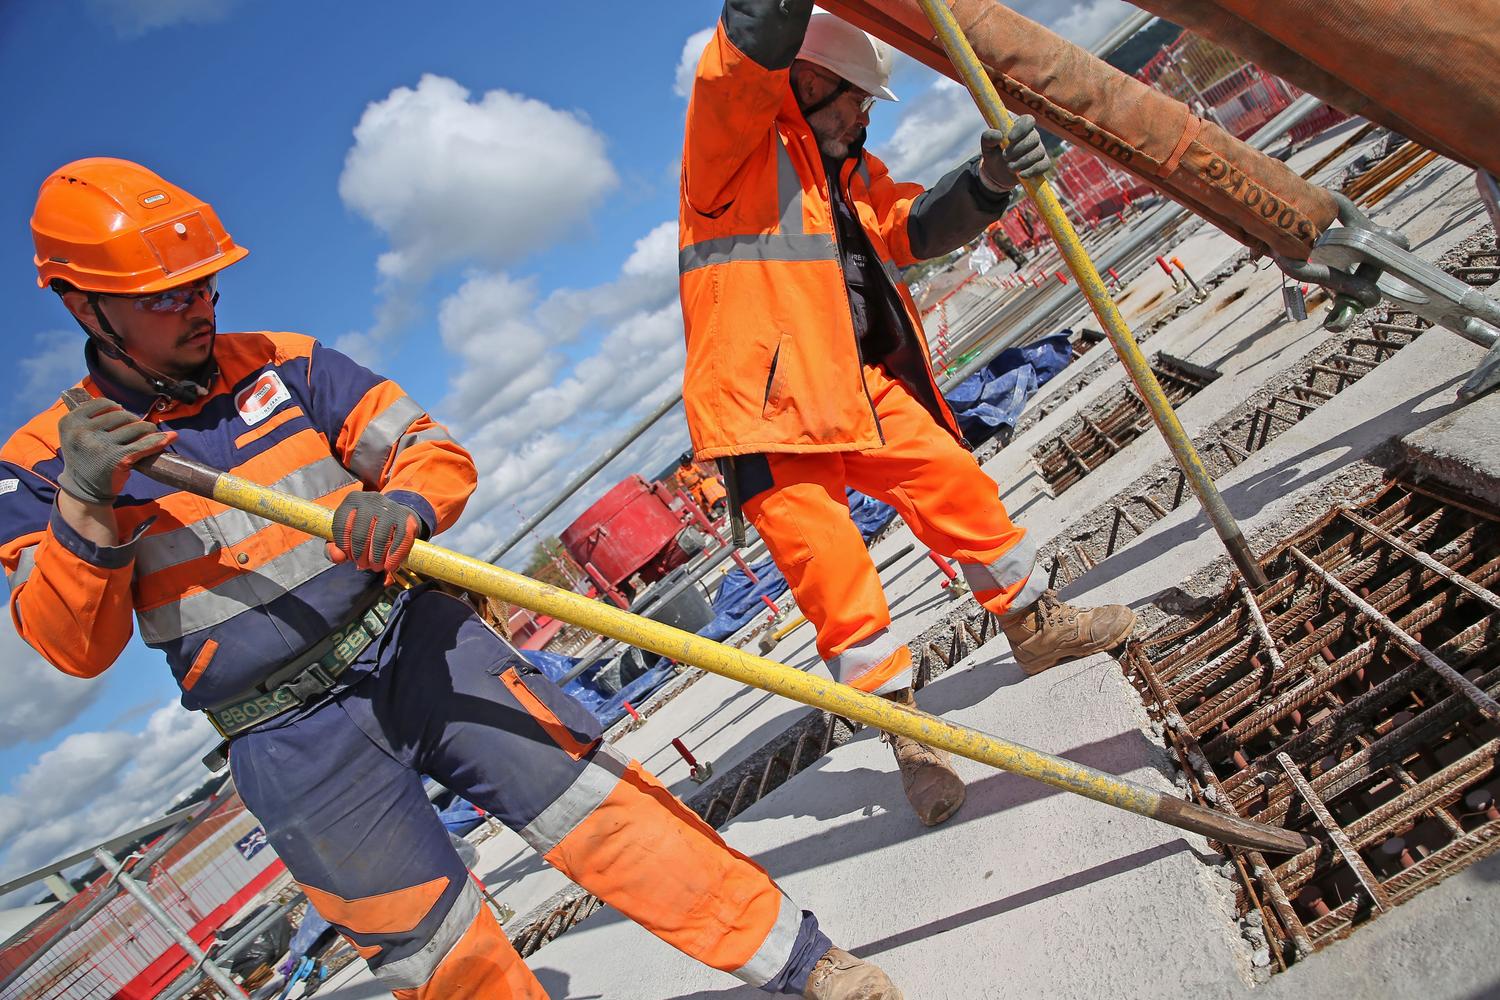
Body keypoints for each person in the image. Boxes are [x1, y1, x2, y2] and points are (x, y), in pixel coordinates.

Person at [3, 157, 902, 1000]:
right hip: (283, 736)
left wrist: (405, 504)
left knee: (603, 810)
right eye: (167, 297)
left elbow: (429, 448)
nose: (200, 307)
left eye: (205, 284)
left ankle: (808, 966)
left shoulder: (286, 361)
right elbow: (74, 648)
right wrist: (86, 504)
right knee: (435, 952)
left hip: (413, 644)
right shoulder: (42, 464)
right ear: (86, 308)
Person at [679, 3, 1137, 827]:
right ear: (807, 80)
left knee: (956, 484)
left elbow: (909, 227)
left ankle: (1035, 625)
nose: (863, 116)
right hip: (766, 412)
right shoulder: (732, 148)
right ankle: (912, 740)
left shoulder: (845, 170)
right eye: (855, 99)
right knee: (836, 580)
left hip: (852, 383)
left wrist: (989, 181)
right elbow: (744, 52)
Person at [674, 448, 730, 518]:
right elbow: (680, 484)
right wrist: (686, 490)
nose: (688, 463)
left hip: (701, 484)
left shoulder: (693, 466)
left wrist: (704, 475)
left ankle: (720, 505)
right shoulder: (679, 472)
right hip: (693, 489)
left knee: (710, 494)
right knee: (701, 502)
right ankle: (709, 515)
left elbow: (700, 472)